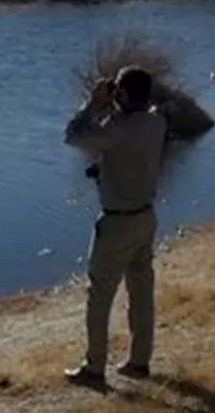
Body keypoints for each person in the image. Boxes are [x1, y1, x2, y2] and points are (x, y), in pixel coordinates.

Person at [62, 65, 169, 386]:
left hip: (118, 220)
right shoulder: (156, 121)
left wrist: (93, 103)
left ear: (121, 93)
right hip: (145, 216)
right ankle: (139, 361)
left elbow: (73, 136)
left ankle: (94, 366)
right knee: (141, 289)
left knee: (100, 293)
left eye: (117, 90)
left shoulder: (118, 128)